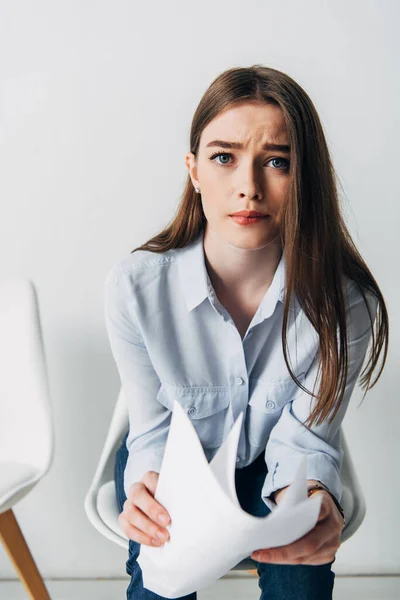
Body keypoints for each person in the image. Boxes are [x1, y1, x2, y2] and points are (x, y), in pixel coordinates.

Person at [104, 65, 389, 600]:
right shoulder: (135, 288)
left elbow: (305, 437)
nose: (248, 187)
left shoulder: (348, 305)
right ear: (193, 170)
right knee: (158, 588)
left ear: (305, 176)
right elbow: (149, 428)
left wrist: (310, 494)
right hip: (177, 458)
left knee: (300, 582)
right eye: (224, 157)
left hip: (279, 463)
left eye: (276, 161)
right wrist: (146, 482)